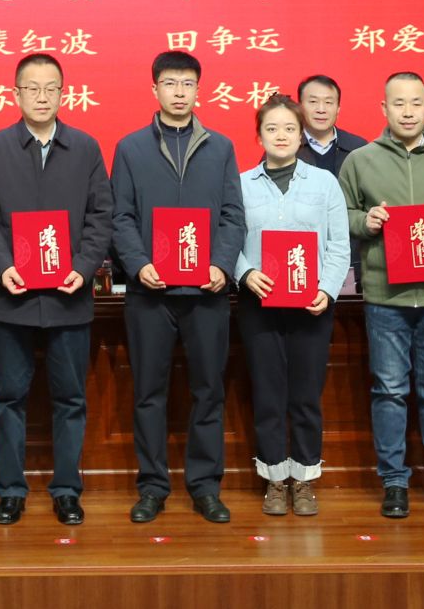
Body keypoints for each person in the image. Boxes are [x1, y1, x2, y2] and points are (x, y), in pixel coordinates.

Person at [0, 53, 113, 527]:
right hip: (12, 297)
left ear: (63, 94)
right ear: (16, 94)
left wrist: (84, 268)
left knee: (71, 399)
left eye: (51, 88)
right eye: (33, 88)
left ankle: (67, 490)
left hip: (69, 296)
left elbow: (102, 215)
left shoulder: (85, 148)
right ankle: (10, 490)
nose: (42, 97)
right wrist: (3, 265)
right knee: (8, 398)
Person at [111, 50, 246, 524]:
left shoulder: (221, 148)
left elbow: (232, 215)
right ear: (155, 89)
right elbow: (120, 216)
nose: (179, 92)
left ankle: (206, 487)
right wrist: (138, 264)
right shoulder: (130, 148)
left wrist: (222, 265)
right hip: (150, 293)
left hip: (206, 292)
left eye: (188, 84)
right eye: (170, 84)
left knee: (209, 391)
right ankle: (152, 487)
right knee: (149, 393)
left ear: (199, 90)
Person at [338, 71, 424, 520]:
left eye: (416, 103)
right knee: (389, 392)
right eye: (398, 103)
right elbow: (341, 215)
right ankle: (394, 482)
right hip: (385, 298)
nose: (408, 111)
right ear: (384, 108)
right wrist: (365, 221)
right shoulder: (360, 160)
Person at [234, 94, 348, 517]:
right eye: (271, 128)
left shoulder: (325, 183)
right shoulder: (240, 184)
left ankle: (303, 480)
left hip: (311, 306)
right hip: (258, 306)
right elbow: (227, 239)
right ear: (259, 135)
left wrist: (327, 290)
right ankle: (274, 480)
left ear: (301, 135)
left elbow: (339, 244)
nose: (280, 136)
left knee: (305, 396)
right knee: (267, 395)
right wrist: (245, 272)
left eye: (289, 128)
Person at [296, 75, 368, 178]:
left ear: (338, 108)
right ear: (300, 107)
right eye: (313, 101)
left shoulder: (358, 147)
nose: (321, 110)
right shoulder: (287, 146)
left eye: (328, 102)